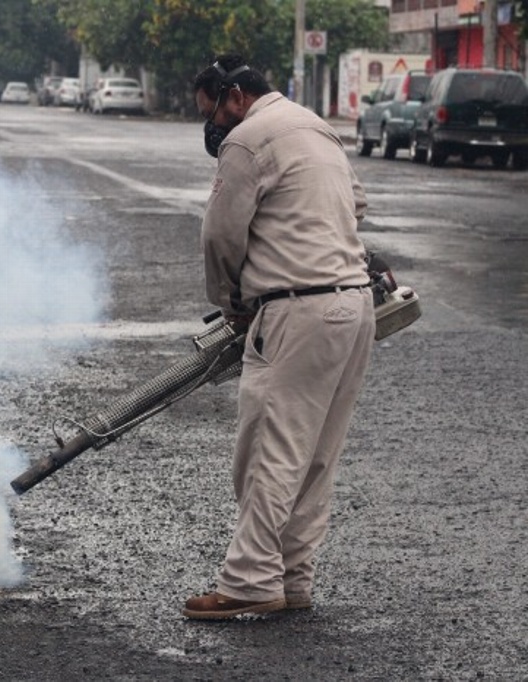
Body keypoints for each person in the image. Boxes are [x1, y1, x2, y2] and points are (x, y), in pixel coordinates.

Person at [182, 54, 376, 620]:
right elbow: (355, 204)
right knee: (314, 454)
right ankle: (293, 579)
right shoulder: (315, 125)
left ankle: (248, 580)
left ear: (235, 96)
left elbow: (219, 236)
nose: (213, 125)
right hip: (353, 304)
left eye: (212, 111)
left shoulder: (247, 139)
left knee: (269, 449)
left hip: (297, 311)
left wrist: (233, 304)